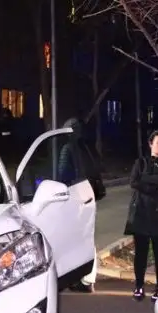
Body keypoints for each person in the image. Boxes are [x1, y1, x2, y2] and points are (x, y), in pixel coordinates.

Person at [123, 130, 158, 302]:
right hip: (142, 213)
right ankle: (139, 286)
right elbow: (134, 181)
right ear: (150, 143)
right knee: (141, 253)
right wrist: (154, 185)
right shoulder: (141, 162)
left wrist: (146, 181)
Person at [58, 117, 105, 293]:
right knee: (88, 235)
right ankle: (88, 279)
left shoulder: (67, 149)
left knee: (72, 238)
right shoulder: (87, 147)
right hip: (89, 194)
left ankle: (77, 277)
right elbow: (98, 167)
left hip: (74, 196)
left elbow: (63, 174)